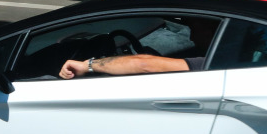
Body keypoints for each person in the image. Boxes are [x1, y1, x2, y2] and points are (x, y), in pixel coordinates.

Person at [59, 54, 203, 78]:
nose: (191, 37)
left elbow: (144, 64)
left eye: (195, 27)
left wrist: (87, 65)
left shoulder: (211, 64)